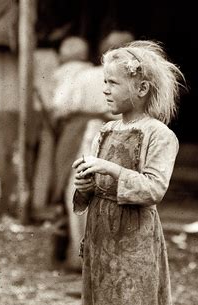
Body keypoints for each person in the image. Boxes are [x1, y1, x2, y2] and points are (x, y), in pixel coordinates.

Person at [71, 40, 184, 305]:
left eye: (112, 82)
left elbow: (153, 188)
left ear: (140, 88)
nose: (105, 89)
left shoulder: (160, 135)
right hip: (103, 240)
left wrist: (110, 169)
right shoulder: (105, 130)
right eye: (104, 81)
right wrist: (84, 183)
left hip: (134, 242)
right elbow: (91, 192)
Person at [62, 30, 134, 271]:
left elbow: (65, 106)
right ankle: (99, 257)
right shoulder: (134, 81)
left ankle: (82, 255)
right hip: (117, 133)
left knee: (82, 189)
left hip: (95, 132)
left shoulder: (87, 76)